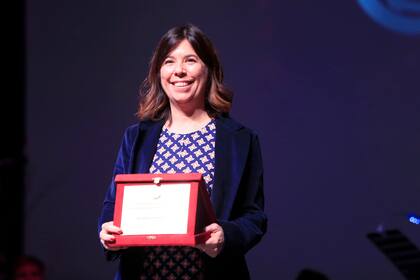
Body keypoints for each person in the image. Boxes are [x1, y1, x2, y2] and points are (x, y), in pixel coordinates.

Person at [98, 24, 267, 280]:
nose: (179, 71)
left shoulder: (240, 140)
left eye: (190, 60)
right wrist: (108, 230)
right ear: (159, 72)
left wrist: (225, 236)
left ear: (208, 69)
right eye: (169, 62)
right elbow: (115, 202)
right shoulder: (136, 137)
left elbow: (254, 216)